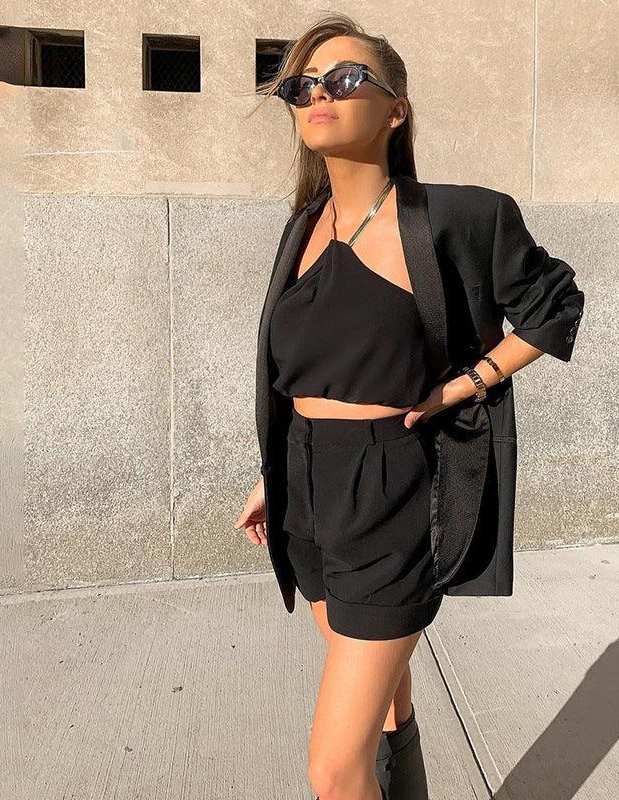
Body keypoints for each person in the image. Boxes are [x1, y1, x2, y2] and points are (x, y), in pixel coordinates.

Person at [234, 13, 585, 800]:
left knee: (332, 768)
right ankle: (404, 742)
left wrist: (472, 380)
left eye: (346, 78)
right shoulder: (301, 228)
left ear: (396, 109)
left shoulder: (461, 217)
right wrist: (273, 475)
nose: (318, 94)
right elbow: (298, 374)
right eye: (302, 85)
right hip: (305, 490)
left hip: (393, 491)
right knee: (375, 692)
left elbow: (554, 304)